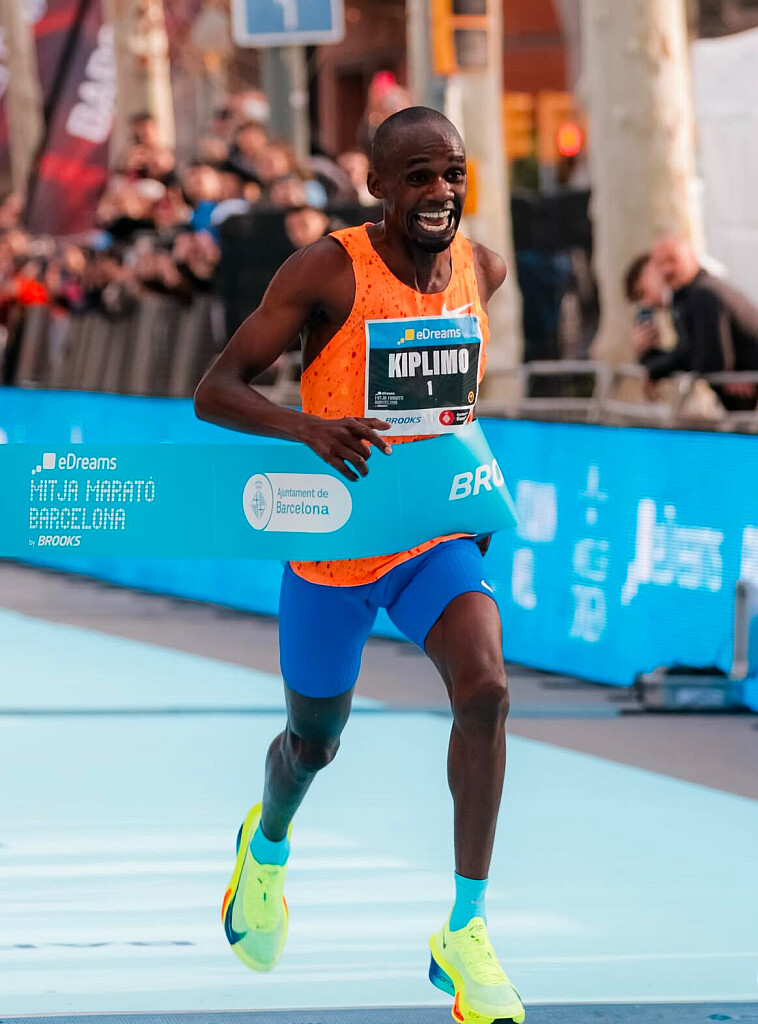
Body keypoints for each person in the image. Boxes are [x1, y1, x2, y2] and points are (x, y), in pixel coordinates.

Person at [194, 105, 525, 1024]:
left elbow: (450, 410)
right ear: (377, 187)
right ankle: (265, 846)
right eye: (418, 177)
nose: (440, 191)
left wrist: (463, 481)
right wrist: (308, 427)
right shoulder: (326, 271)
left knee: (487, 690)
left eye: (452, 173)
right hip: (333, 547)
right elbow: (215, 391)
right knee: (313, 744)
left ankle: (466, 929)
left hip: (430, 542)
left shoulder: (482, 270)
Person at [626, 236, 758, 409]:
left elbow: (706, 359)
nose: (668, 270)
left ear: (691, 257)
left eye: (672, 261)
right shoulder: (690, 296)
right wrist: (648, 359)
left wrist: (651, 366)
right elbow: (692, 354)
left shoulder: (703, 293)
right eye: (661, 264)